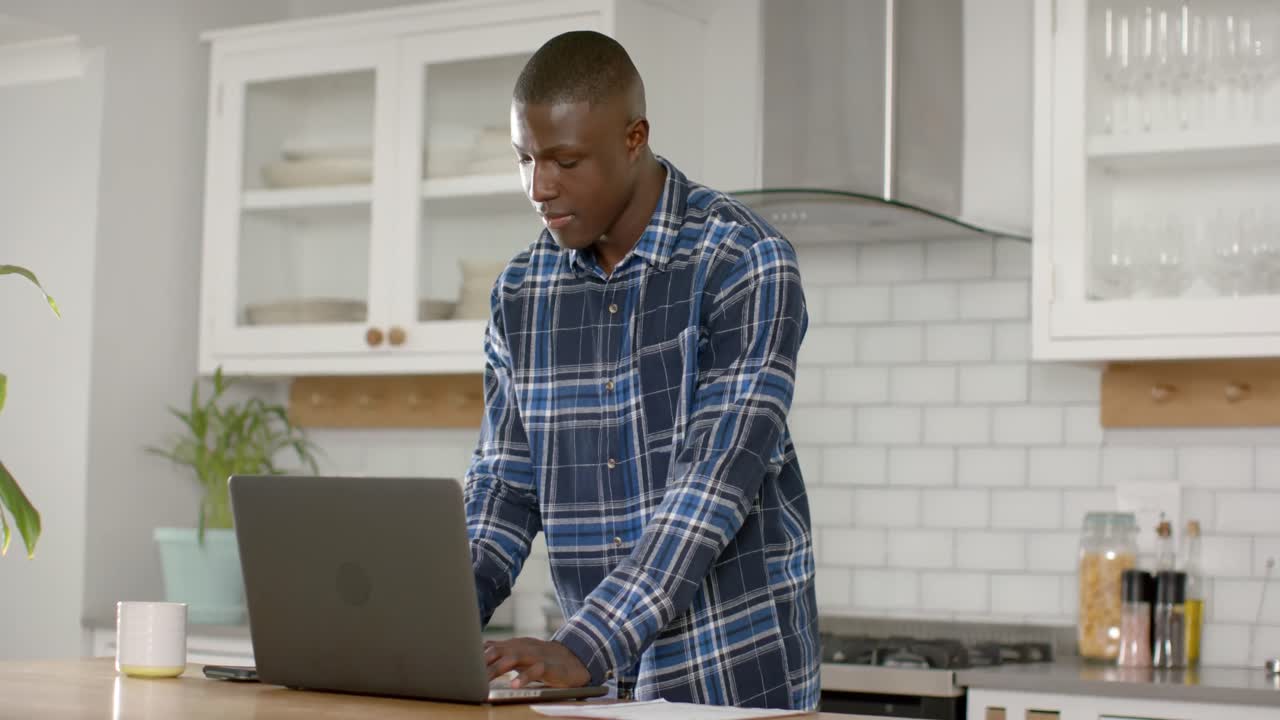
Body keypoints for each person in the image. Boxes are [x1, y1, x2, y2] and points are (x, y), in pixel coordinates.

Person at [464, 30, 818, 710]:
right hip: (592, 686)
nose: (539, 187)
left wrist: (583, 645)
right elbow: (503, 488)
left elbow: (711, 489)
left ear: (634, 138)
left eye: (565, 160)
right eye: (525, 159)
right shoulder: (520, 293)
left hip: (727, 680)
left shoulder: (742, 262)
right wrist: (438, 619)